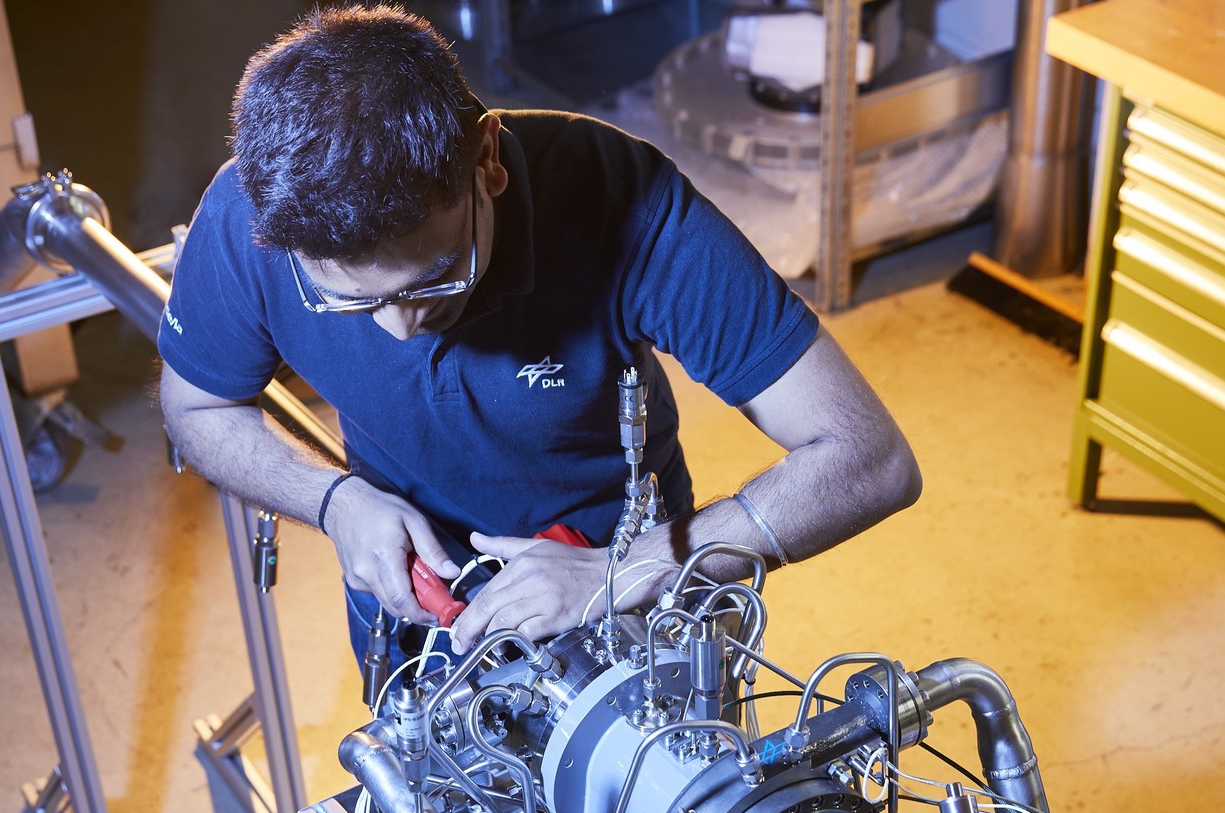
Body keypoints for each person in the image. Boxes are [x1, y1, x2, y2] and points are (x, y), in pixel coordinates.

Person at [158, 3, 920, 670]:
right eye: (348, 302)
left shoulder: (619, 197)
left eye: (432, 281)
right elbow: (197, 407)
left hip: (625, 590)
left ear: (486, 160)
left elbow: (870, 455)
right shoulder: (252, 217)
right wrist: (334, 502)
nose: (399, 326)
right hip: (416, 605)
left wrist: (628, 571)